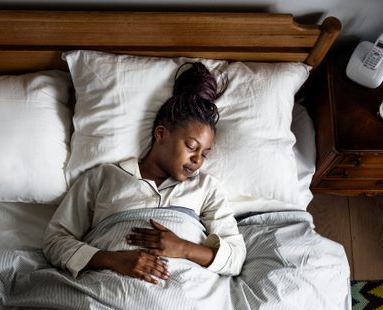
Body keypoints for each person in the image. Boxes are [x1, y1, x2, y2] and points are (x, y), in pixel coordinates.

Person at [42, 62, 246, 285]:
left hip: (186, 294)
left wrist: (185, 248)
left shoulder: (206, 188)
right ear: (161, 134)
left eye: (204, 154)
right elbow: (55, 241)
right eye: (190, 146)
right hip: (108, 287)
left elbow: (235, 257)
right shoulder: (103, 178)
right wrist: (112, 259)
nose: (197, 160)